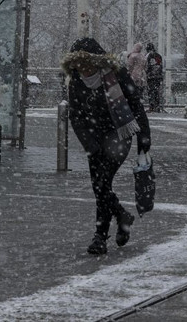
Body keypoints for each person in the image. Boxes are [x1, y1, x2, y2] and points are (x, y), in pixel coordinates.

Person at [61, 37, 151, 255]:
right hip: (94, 137)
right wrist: (90, 144)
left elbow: (135, 105)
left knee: (102, 183)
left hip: (119, 133)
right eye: (77, 64)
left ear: (96, 61)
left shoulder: (116, 74)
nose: (82, 68)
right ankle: (121, 215)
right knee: (99, 186)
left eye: (85, 62)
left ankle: (100, 236)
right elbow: (76, 116)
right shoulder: (76, 81)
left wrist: (144, 139)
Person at [145, 42, 164, 112]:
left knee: (150, 92)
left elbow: (147, 66)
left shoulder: (148, 56)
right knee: (157, 91)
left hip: (151, 77)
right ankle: (157, 106)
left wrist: (146, 73)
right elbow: (161, 66)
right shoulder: (158, 55)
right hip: (158, 76)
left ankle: (152, 106)